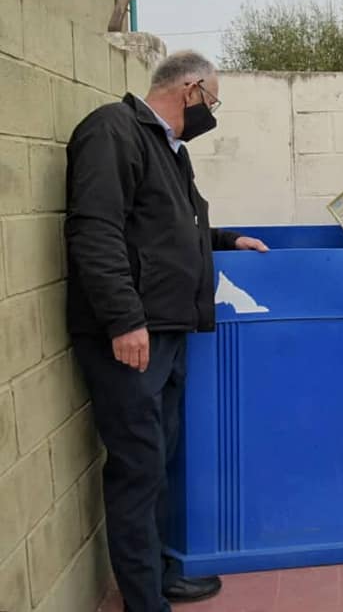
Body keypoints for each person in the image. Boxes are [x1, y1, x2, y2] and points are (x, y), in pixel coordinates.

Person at [65, 51, 268, 612]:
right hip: (132, 338)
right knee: (137, 467)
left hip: (169, 332)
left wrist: (225, 242)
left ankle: (159, 576)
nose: (212, 112)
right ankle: (144, 601)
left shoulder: (168, 150)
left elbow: (167, 227)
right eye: (214, 100)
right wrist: (124, 319)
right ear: (192, 89)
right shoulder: (113, 130)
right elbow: (96, 231)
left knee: (158, 460)